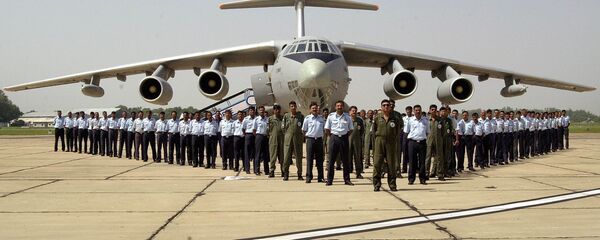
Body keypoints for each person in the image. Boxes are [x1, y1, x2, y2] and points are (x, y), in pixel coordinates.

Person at [372, 99, 402, 191]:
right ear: (381, 107)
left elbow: (397, 131)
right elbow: (374, 131)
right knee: (377, 164)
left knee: (391, 165)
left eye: (387, 105)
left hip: (391, 143)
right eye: (384, 105)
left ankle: (392, 185)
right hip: (379, 142)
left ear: (390, 107)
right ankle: (376, 185)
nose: (386, 107)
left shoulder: (395, 118)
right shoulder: (377, 118)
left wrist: (392, 139)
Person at [324, 100, 354, 186]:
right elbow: (327, 128)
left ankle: (347, 180)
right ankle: (329, 180)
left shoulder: (347, 117)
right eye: (338, 106)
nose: (339, 107)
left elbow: (351, 129)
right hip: (334, 138)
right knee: (331, 160)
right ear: (335, 107)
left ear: (343, 107)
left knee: (345, 160)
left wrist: (345, 135)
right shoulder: (331, 116)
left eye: (341, 106)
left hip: (344, 138)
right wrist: (332, 136)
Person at [405, 104, 429, 185]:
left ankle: (422, 179)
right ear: (413, 111)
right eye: (416, 110)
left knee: (422, 162)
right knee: (412, 162)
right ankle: (411, 179)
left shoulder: (425, 121)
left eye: (419, 110)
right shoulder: (410, 120)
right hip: (412, 142)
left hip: (422, 143)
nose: (418, 112)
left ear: (421, 111)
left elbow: (427, 132)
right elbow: (407, 131)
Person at [302, 102, 325, 183]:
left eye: (315, 108)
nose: (314, 109)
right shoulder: (307, 119)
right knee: (309, 159)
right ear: (310, 110)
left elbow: (324, 129)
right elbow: (304, 130)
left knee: (319, 160)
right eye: (313, 108)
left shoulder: (321, 118)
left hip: (319, 140)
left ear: (318, 109)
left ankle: (320, 177)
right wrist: (308, 137)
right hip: (310, 140)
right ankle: (308, 177)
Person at [282, 101, 305, 181]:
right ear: (289, 107)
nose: (293, 108)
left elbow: (303, 127)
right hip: (288, 139)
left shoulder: (300, 116)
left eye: (294, 106)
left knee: (298, 157)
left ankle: (299, 174)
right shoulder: (286, 116)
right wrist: (287, 134)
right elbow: (283, 127)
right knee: (286, 157)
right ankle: (286, 174)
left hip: (297, 139)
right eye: (291, 106)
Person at [431, 107, 453, 181]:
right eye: (442, 111)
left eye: (445, 111)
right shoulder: (438, 120)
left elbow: (450, 130)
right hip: (439, 140)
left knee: (446, 156)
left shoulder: (449, 121)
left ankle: (445, 172)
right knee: (437, 157)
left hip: (447, 139)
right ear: (440, 112)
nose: (443, 113)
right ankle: (434, 171)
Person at [268, 105, 285, 177]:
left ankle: (283, 171)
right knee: (273, 156)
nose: (277, 111)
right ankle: (272, 171)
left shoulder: (283, 118)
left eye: (278, 109)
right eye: (276, 109)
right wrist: (271, 136)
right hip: (273, 140)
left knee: (282, 156)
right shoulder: (270, 119)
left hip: (281, 140)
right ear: (273, 111)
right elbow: (267, 129)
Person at [348, 106, 364, 179]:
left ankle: (358, 173)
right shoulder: (347, 119)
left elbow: (362, 131)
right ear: (349, 112)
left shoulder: (359, 120)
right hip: (348, 140)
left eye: (355, 111)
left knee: (357, 157)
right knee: (348, 157)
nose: (354, 112)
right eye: (352, 111)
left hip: (357, 141)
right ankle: (348, 172)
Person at [253, 106, 269, 175]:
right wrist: (257, 136)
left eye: (263, 110)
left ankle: (266, 170)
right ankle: (257, 170)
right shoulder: (256, 119)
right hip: (259, 136)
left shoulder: (267, 119)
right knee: (258, 154)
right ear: (258, 111)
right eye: (260, 110)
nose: (262, 111)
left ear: (264, 111)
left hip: (265, 137)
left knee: (266, 154)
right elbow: (254, 130)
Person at [425, 104, 438, 178]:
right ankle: (426, 172)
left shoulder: (439, 120)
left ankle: (434, 172)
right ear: (429, 110)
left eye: (435, 110)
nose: (433, 111)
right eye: (432, 109)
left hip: (437, 141)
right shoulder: (426, 120)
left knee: (437, 157)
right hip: (428, 141)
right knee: (428, 157)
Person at [242, 107, 257, 174]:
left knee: (255, 153)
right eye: (250, 110)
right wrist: (246, 135)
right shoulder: (246, 119)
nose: (252, 111)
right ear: (248, 112)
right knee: (247, 153)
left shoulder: (257, 118)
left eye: (253, 110)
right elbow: (243, 129)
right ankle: (247, 169)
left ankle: (255, 169)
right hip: (248, 135)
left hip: (255, 136)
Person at [402, 106, 413, 173]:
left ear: (412, 111)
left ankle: (412, 168)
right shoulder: (403, 119)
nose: (408, 111)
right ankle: (404, 168)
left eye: (410, 110)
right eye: (407, 110)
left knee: (412, 152)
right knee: (405, 152)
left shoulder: (413, 118)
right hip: (405, 135)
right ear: (406, 111)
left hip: (411, 135)